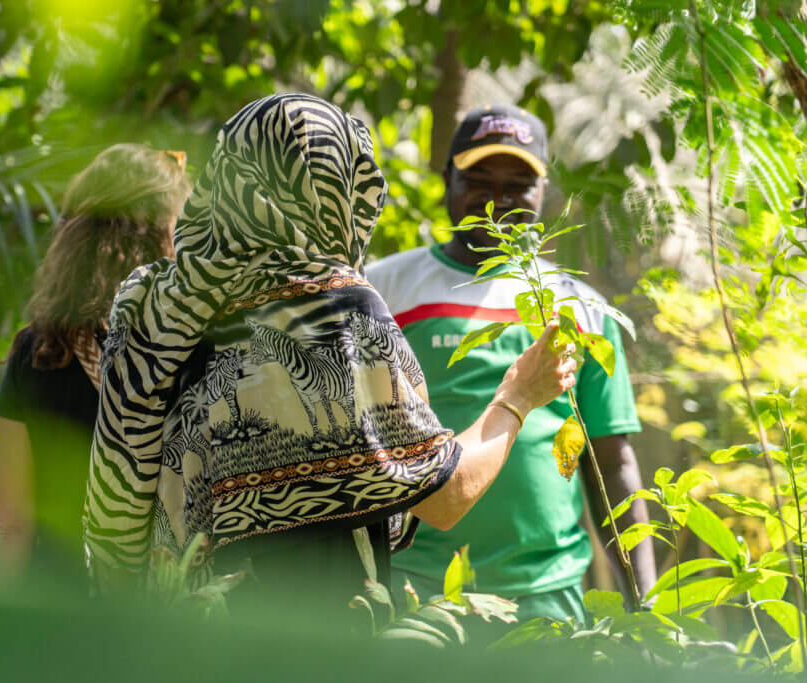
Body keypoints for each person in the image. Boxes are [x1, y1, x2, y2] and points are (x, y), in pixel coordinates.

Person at [82, 94, 577, 617]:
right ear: (336, 191)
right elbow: (445, 497)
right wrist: (518, 395)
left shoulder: (154, 301)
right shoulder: (333, 312)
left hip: (175, 622)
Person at [366, 104, 655, 622]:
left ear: (543, 191)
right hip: (417, 590)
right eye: (478, 178)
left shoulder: (579, 307)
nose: (497, 198)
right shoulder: (383, 290)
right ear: (447, 178)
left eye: (519, 183)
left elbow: (612, 464)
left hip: (551, 597)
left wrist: (648, 611)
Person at [0, 144, 190, 584]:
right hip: (169, 606)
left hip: (59, 612)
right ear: (162, 234)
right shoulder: (190, 347)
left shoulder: (37, 353)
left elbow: (12, 530)